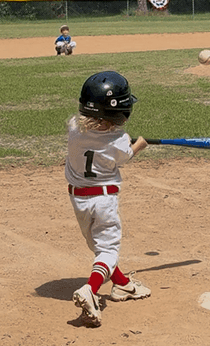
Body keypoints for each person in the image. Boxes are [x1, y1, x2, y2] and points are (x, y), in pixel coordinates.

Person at [68, 71, 151, 328]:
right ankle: (90, 290)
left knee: (99, 246)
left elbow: (94, 139)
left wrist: (118, 135)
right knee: (108, 249)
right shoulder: (118, 140)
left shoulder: (73, 128)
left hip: (78, 200)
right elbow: (125, 155)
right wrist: (141, 143)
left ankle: (123, 285)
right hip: (103, 201)